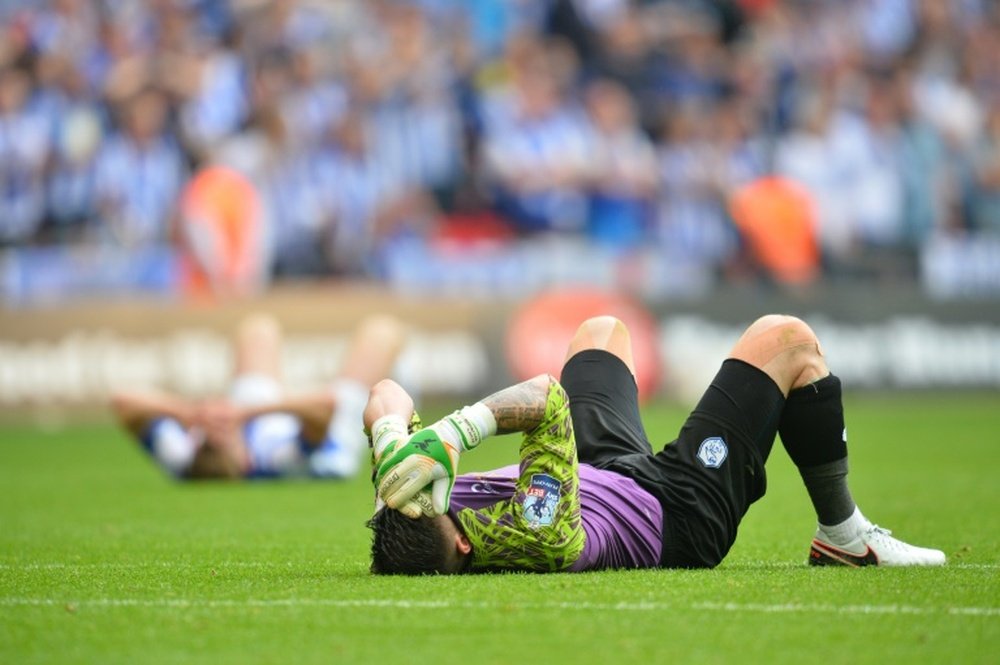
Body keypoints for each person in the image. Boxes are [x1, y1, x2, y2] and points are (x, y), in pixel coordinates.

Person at [365, 314, 946, 573]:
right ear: (465, 546)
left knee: (599, 332)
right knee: (788, 339)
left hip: (593, 474)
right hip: (676, 514)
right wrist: (453, 432)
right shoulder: (534, 533)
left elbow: (384, 392)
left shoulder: (406, 523)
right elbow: (546, 399)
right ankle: (844, 536)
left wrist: (392, 441)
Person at [112, 313, 406, 480]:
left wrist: (188, 413)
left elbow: (122, 402)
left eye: (207, 435)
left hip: (260, 421)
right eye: (221, 436)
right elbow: (325, 406)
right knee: (382, 332)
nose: (214, 428)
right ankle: (407, 380)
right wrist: (243, 413)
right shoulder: (275, 459)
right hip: (332, 436)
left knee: (258, 330)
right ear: (243, 461)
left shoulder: (182, 458)